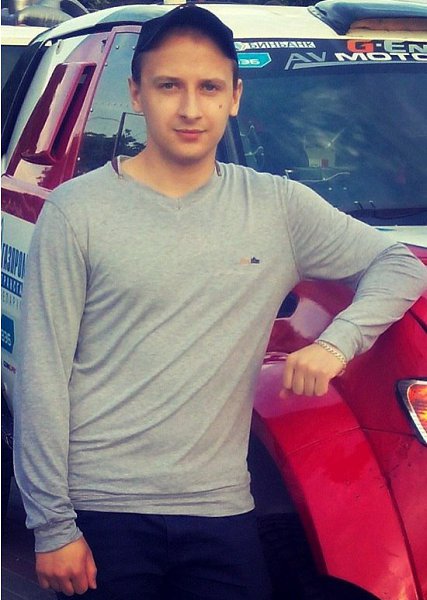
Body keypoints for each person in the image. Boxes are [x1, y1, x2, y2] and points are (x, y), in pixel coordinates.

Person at [13, 4, 427, 599]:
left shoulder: (278, 208)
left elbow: (397, 263)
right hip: (102, 511)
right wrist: (53, 526)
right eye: (169, 86)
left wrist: (337, 344)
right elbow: (43, 376)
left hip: (221, 510)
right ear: (136, 94)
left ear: (234, 97)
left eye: (209, 87)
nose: (190, 108)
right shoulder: (77, 212)